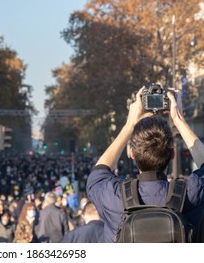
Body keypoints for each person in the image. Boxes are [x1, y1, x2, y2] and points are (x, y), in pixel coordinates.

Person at [86, 86, 204, 242]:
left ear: (132, 154)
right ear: (173, 154)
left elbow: (98, 174)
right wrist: (179, 120)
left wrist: (129, 126)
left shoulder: (113, 197)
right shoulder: (192, 192)